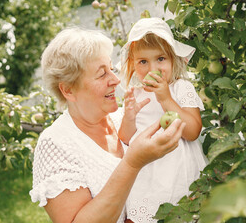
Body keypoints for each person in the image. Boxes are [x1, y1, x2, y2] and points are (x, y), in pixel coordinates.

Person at [29, 27, 186, 223]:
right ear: (68, 90)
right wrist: (132, 163)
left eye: (111, 69)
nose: (116, 79)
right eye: (102, 74)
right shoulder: (56, 144)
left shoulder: (128, 118)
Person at [118, 17, 208, 223]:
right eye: (143, 62)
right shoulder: (137, 94)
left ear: (173, 59)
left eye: (160, 59)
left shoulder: (180, 88)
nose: (153, 69)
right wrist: (129, 117)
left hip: (178, 172)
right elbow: (125, 138)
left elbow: (193, 131)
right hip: (146, 174)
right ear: (132, 64)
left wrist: (166, 98)